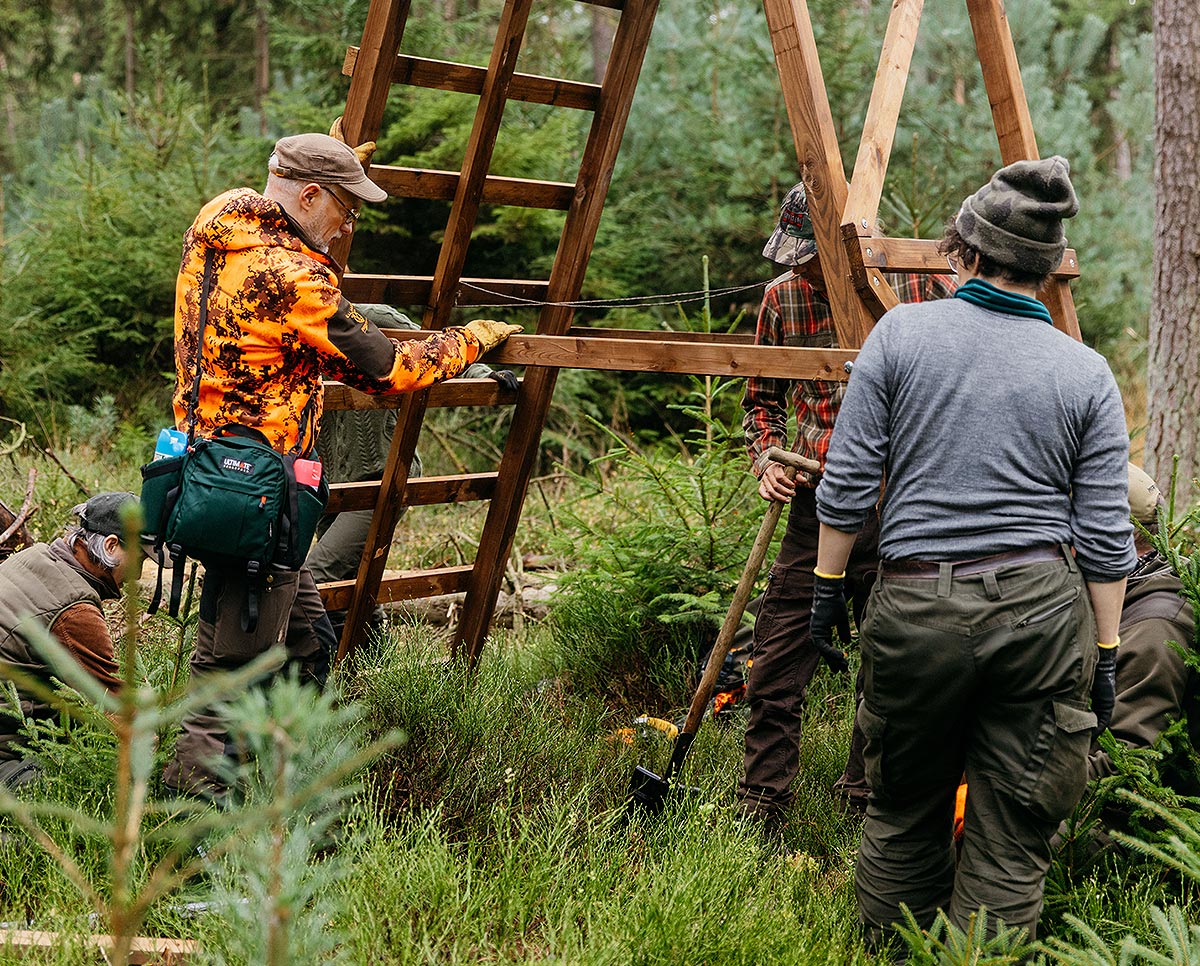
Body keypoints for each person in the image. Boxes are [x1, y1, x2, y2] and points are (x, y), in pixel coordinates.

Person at [811, 156, 1135, 943]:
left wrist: (826, 590)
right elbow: (1104, 540)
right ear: (1047, 266)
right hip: (1041, 618)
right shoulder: (1086, 373)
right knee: (1013, 838)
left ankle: (893, 957)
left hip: (916, 608)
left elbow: (849, 483)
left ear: (969, 250)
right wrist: (1107, 653)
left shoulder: (901, 335)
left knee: (901, 816)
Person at [163, 133, 519, 798]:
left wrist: (334, 157)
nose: (348, 226)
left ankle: (287, 777)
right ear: (306, 196)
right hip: (255, 495)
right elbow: (390, 368)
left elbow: (277, 205)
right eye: (345, 210)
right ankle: (195, 830)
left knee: (308, 641)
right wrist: (473, 339)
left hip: (205, 467)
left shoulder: (219, 225)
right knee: (228, 674)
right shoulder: (296, 279)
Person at [737, 181, 955, 831]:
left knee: (888, 663)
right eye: (794, 256)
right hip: (815, 502)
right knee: (776, 657)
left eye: (810, 256)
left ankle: (864, 798)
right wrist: (769, 458)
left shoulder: (915, 291)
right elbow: (761, 401)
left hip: (900, 509)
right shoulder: (781, 300)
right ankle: (762, 805)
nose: (797, 267)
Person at [306, 303, 518, 640]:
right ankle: (367, 669)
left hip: (383, 478)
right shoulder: (300, 317)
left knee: (316, 576)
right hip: (327, 485)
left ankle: (310, 677)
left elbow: (431, 349)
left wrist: (483, 375)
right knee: (348, 586)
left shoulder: (374, 317)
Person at [0, 492, 138, 787]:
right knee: (63, 780)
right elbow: (111, 704)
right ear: (112, 546)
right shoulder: (74, 608)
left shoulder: (36, 556)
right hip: (6, 741)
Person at [1088, 463, 1196, 783]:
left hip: (1103, 817)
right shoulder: (1135, 586)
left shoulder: (1155, 630)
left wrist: (1007, 795)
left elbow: (1125, 765)